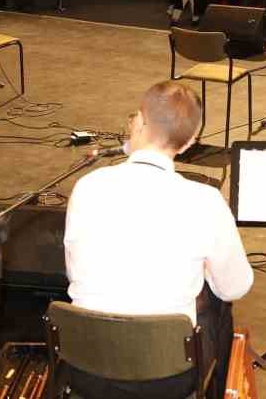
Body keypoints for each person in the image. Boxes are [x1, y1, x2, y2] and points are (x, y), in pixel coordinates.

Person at [63, 82, 254, 399]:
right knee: (218, 303)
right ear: (190, 142)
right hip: (167, 376)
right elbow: (235, 286)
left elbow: (73, 274)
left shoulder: (87, 186)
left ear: (138, 121)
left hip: (85, 363)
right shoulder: (205, 200)